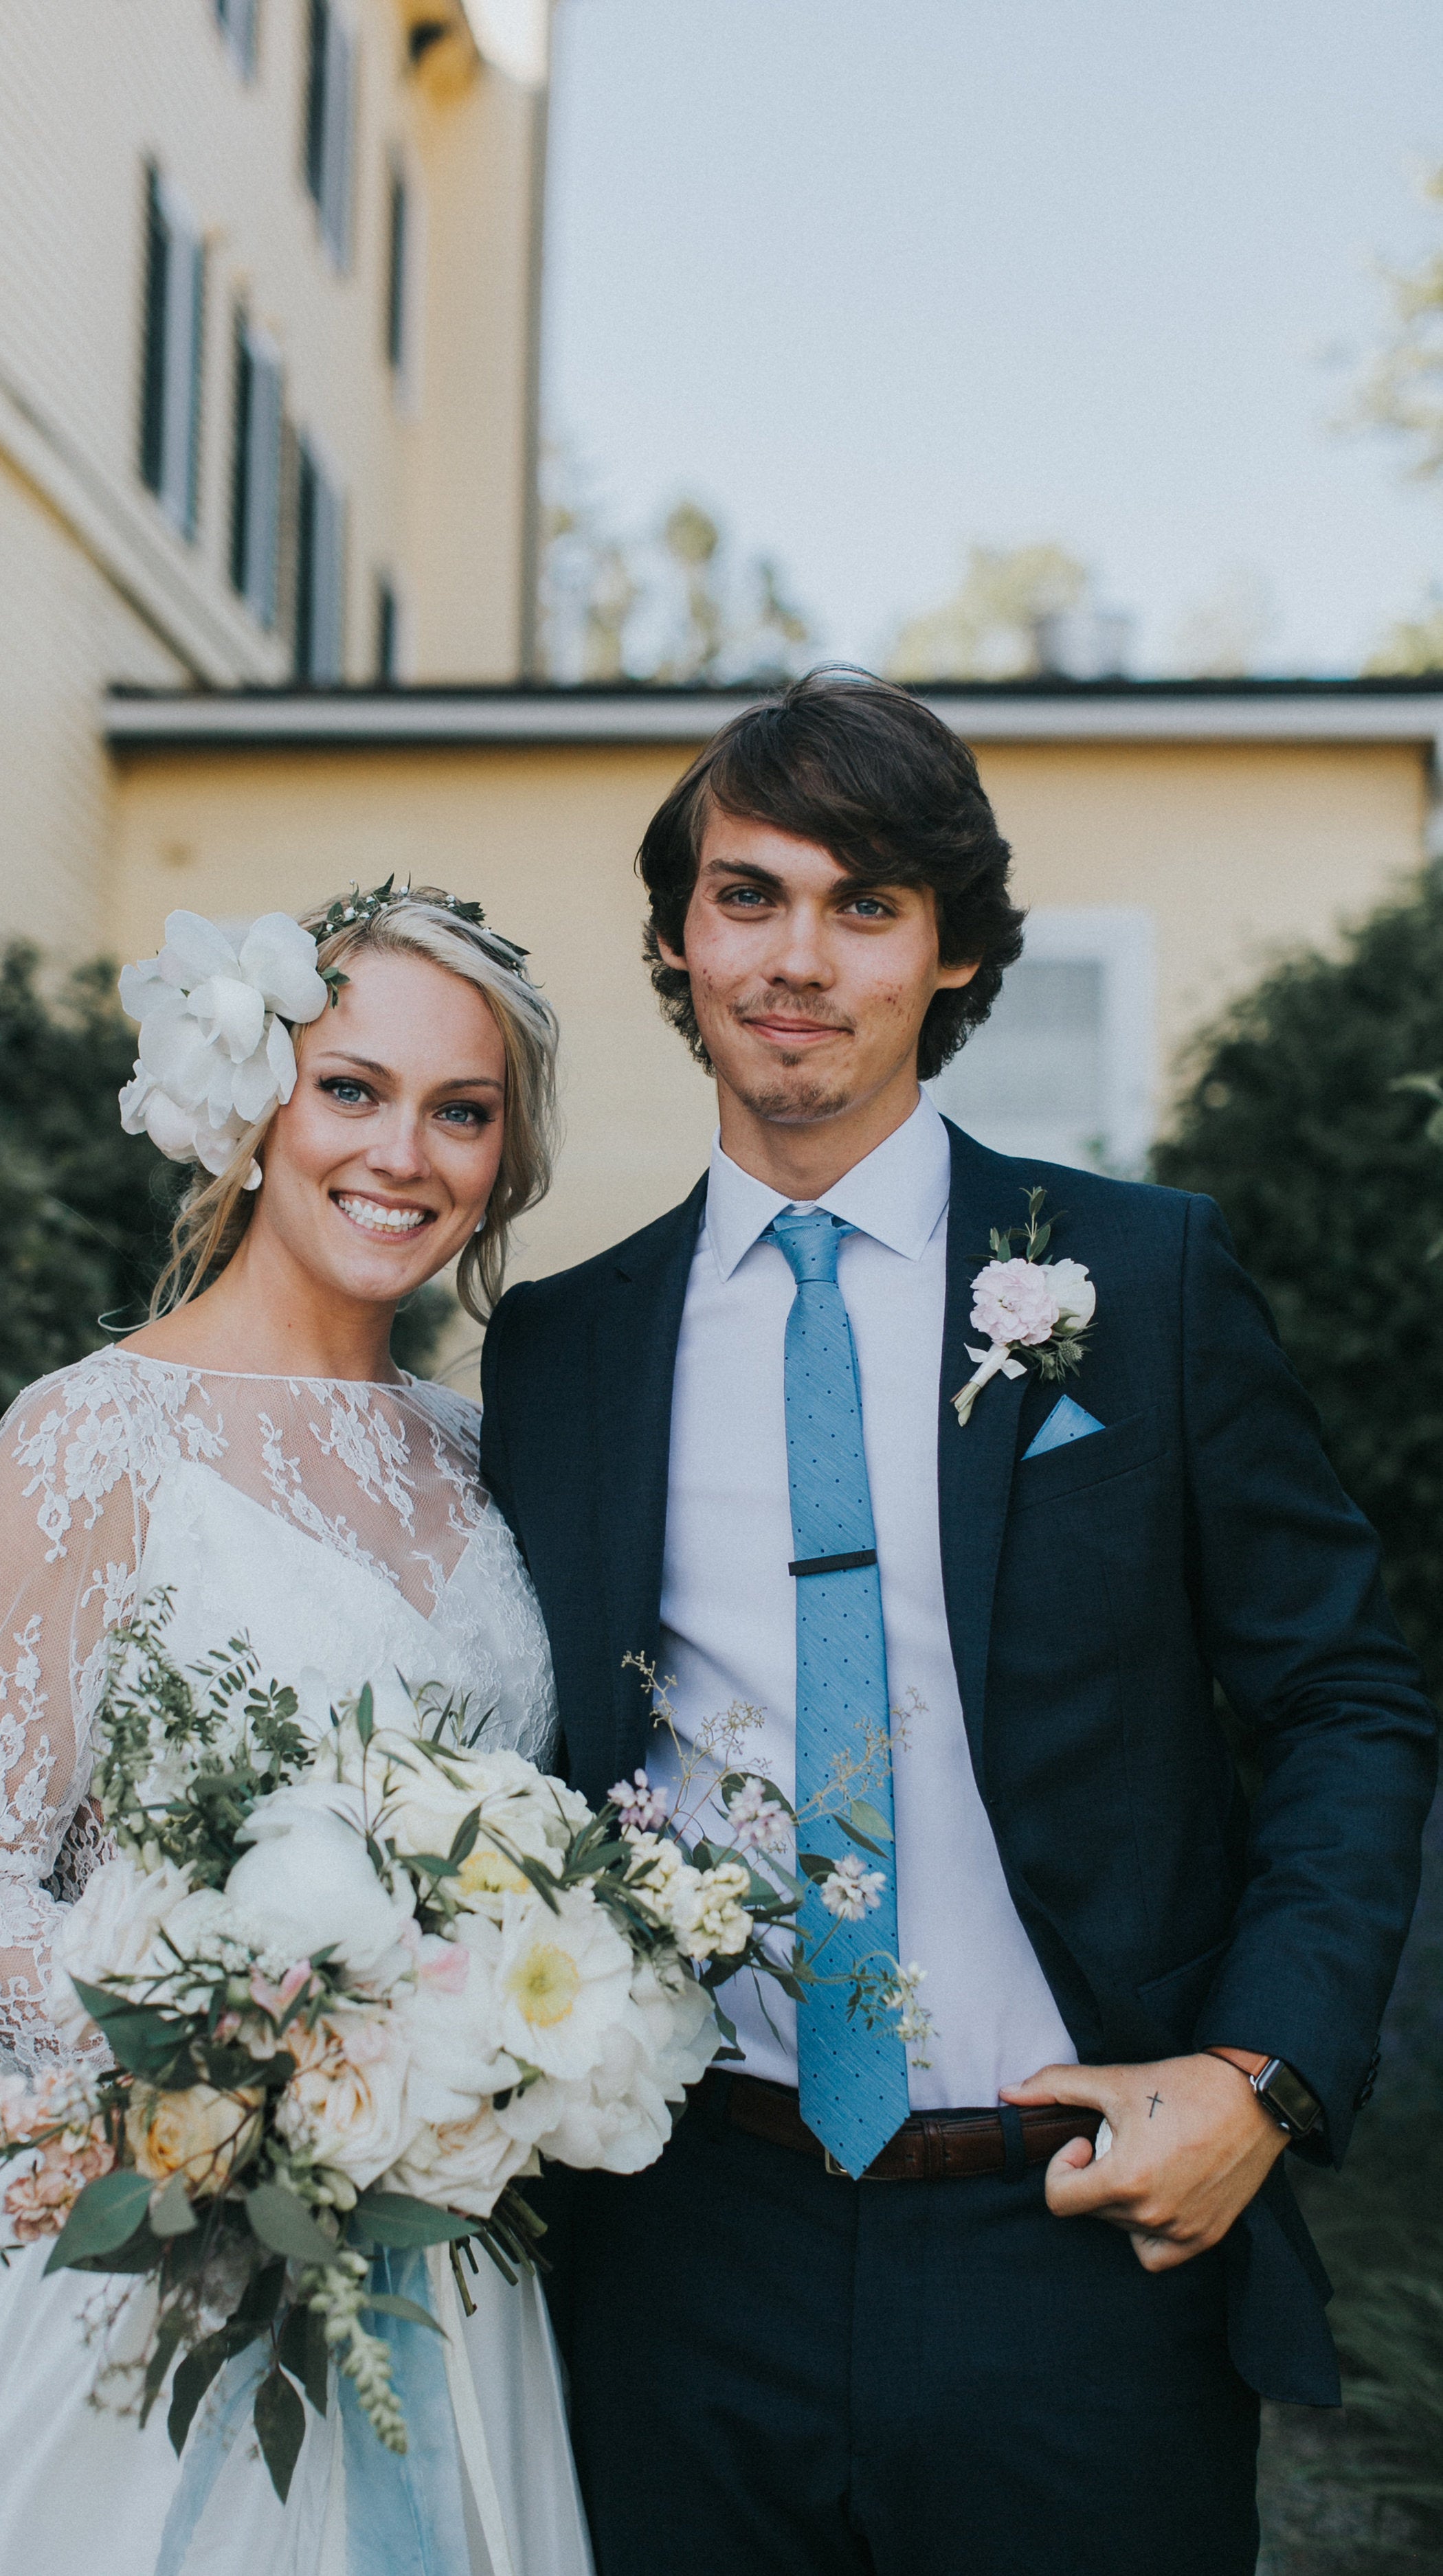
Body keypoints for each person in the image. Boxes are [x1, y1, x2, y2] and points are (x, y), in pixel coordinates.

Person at [478, 669, 1439, 2576]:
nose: (796, 957)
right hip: (683, 2248)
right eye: (746, 896)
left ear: (954, 951)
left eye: (865, 903)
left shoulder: (1139, 1278)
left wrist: (1256, 2075)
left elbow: (1344, 1695)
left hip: (1075, 2239)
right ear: (677, 941)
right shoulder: (561, 1349)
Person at [0, 888, 595, 2576]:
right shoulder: (89, 1439)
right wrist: (224, 2094)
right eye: (351, 1089)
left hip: (440, 2248)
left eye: (461, 1111)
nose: (402, 1154)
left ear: (501, 1159)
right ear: (256, 1103)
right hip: (148, 2233)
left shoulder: (482, 1452)